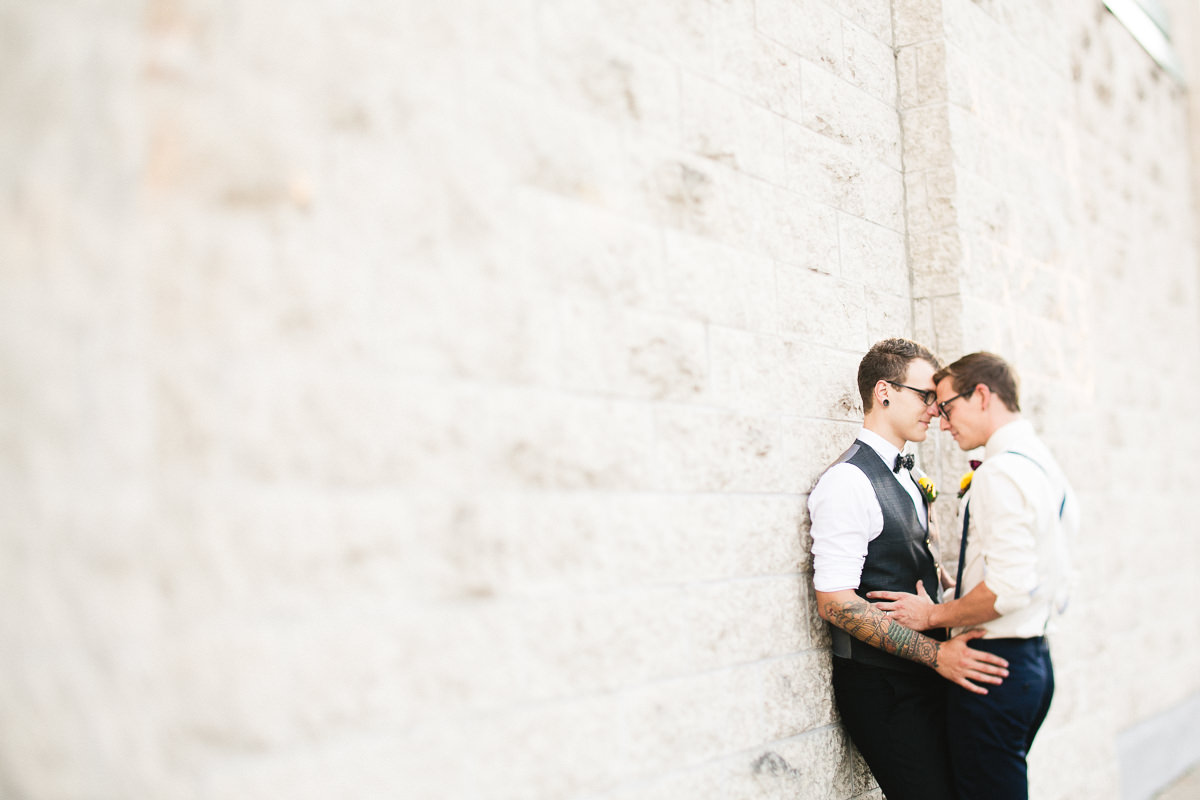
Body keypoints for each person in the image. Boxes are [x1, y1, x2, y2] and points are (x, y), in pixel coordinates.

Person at [870, 352, 1078, 800]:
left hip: (990, 668)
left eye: (946, 406)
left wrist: (932, 616)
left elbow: (1007, 589)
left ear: (981, 395)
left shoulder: (1001, 473)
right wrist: (952, 580)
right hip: (1032, 660)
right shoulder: (1043, 464)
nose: (942, 423)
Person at [809, 339, 1010, 800]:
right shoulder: (847, 482)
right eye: (926, 396)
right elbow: (836, 604)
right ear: (883, 391)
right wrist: (937, 655)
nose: (935, 410)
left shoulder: (906, 473)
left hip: (924, 675)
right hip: (884, 689)